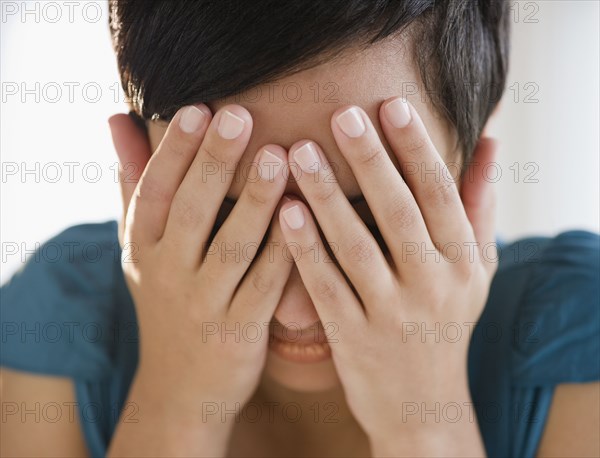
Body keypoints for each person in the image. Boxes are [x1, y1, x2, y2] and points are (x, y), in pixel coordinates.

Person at [1, 1, 599, 457]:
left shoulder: (579, 335)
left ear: (470, 163)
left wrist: (426, 425)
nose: (292, 309)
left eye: (363, 220)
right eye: (229, 214)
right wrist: (175, 409)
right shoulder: (57, 325)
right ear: (138, 163)